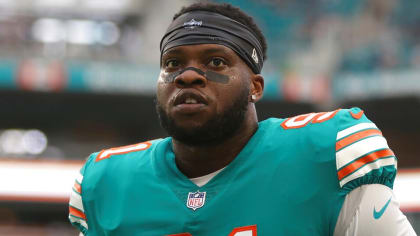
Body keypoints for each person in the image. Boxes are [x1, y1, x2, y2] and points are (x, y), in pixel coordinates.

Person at [68, 2, 417, 235]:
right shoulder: (108, 182)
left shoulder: (325, 156)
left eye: (216, 62)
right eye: (172, 63)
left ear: (255, 86)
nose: (187, 76)